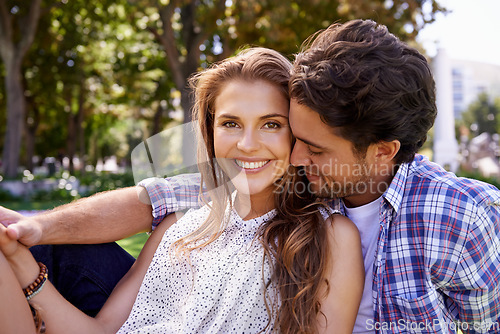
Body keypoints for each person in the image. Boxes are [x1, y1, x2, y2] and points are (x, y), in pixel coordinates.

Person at [3, 18, 500, 332]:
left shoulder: (454, 219)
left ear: (381, 153)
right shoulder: (211, 203)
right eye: (231, 125)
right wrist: (31, 233)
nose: (295, 155)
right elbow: (155, 197)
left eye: (280, 130)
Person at [0, 47, 364, 333]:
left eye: (271, 124)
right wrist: (23, 267)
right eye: (231, 124)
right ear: (210, 131)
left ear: (295, 132)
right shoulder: (179, 225)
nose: (248, 144)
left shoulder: (330, 235)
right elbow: (101, 330)